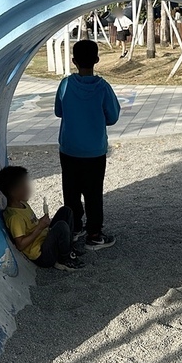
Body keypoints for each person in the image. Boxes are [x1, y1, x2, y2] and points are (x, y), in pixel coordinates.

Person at [54, 39, 121, 250]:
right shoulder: (103, 87)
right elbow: (113, 116)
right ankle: (94, 234)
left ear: (74, 61)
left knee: (71, 190)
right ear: (97, 60)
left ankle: (74, 228)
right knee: (93, 192)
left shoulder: (65, 84)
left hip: (69, 149)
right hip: (94, 151)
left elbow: (58, 111)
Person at [0, 166, 84, 271]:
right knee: (61, 226)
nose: (28, 189)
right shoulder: (15, 217)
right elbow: (20, 245)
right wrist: (40, 227)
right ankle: (64, 259)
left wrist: (42, 224)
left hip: (44, 239)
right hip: (42, 255)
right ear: (14, 192)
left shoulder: (23, 204)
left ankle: (67, 249)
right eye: (24, 186)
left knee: (66, 211)